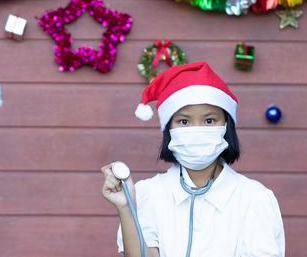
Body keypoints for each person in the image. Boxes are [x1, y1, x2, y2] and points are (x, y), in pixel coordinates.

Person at [100, 62, 285, 257]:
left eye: (209, 121)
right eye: (184, 121)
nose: (197, 131)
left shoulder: (256, 198)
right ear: (169, 130)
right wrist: (127, 207)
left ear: (226, 127)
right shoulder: (146, 193)